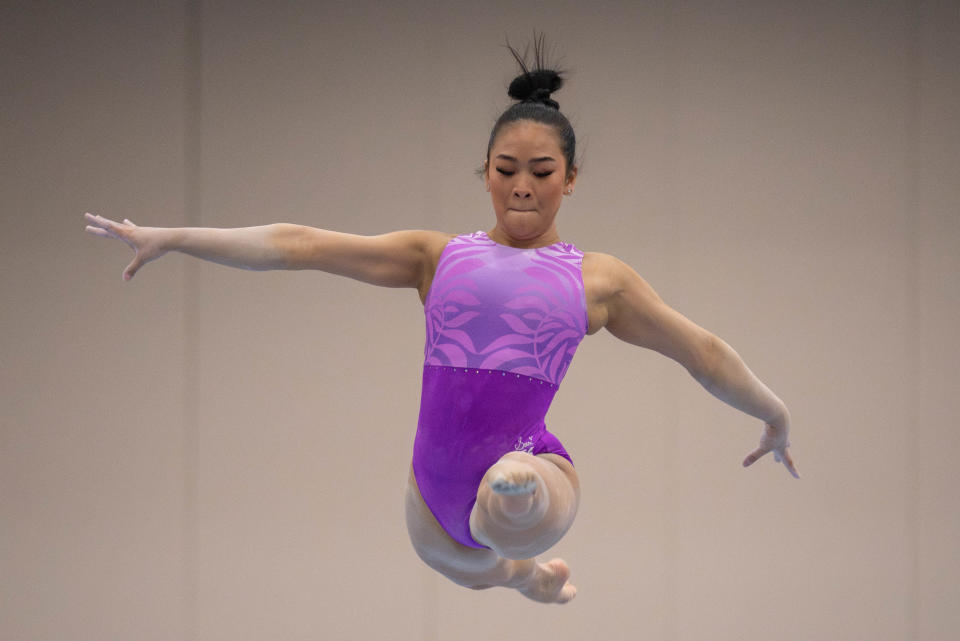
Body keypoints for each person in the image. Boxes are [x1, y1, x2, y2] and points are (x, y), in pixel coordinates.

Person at [84, 37, 798, 605]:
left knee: (510, 495)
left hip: (534, 469)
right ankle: (530, 581)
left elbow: (700, 350)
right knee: (471, 564)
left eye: (543, 171)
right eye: (507, 167)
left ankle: (515, 522)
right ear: (483, 170)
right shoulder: (436, 257)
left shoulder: (597, 280)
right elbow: (300, 245)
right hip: (429, 500)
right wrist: (173, 236)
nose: (523, 185)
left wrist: (774, 414)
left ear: (572, 177)